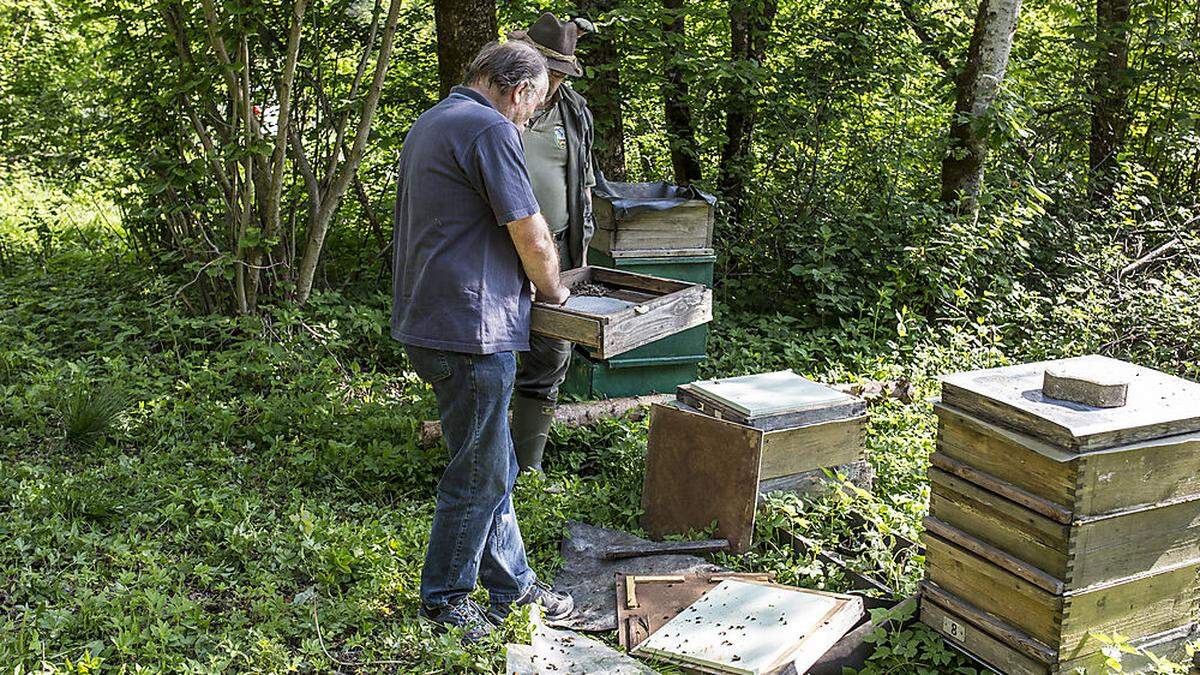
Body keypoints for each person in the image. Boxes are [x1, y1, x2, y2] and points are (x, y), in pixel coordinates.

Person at [391, 40, 575, 643]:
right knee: (478, 474)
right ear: (518, 90)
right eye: (536, 103)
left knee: (490, 462)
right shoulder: (491, 130)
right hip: (471, 329)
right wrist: (554, 292)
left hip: (431, 318)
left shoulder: (433, 121)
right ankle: (445, 600)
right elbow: (530, 233)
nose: (531, 116)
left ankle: (512, 586)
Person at [507, 12, 599, 473]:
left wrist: (580, 250)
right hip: (499, 248)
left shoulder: (574, 110)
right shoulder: (500, 105)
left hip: (558, 248)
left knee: (551, 352)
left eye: (564, 74)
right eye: (552, 72)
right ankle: (484, 459)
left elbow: (582, 184)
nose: (558, 81)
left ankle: (529, 465)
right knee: (496, 352)